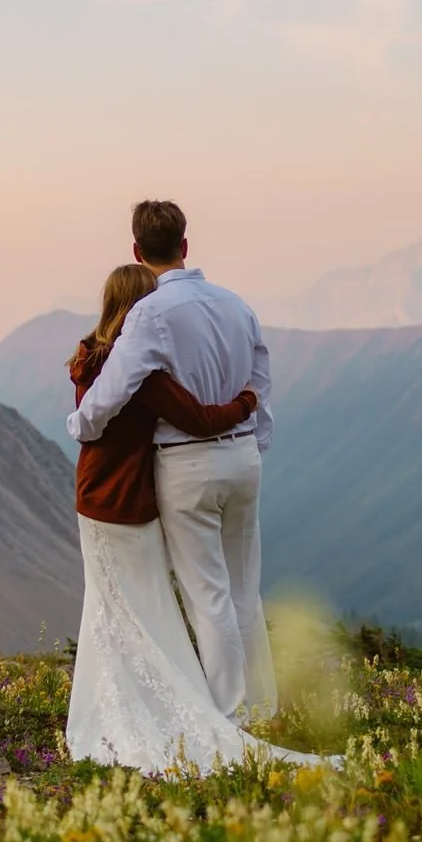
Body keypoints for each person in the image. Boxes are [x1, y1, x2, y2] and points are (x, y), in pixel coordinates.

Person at [63, 264, 323, 774]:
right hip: (128, 499)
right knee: (185, 599)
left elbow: (91, 416)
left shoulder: (89, 357)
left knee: (114, 606)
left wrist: (79, 424)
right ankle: (230, 709)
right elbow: (201, 418)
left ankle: (113, 704)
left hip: (95, 495)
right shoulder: (146, 374)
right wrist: (248, 403)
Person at [66, 201, 277, 723]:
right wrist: (253, 440)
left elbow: (113, 389)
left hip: (186, 464)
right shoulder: (236, 305)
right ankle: (266, 706)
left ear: (137, 251)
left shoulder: (150, 313)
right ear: (185, 245)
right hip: (244, 457)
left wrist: (81, 427)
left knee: (209, 596)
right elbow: (260, 382)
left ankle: (231, 718)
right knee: (245, 590)